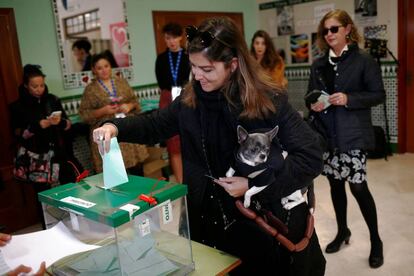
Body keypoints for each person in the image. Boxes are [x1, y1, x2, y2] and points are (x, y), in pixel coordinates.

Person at [93, 17, 326, 275]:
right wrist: (114, 127)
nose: (198, 76)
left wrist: (252, 185)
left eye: (207, 69)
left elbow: (311, 156)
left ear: (233, 65)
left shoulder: (267, 102)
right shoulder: (190, 101)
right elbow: (153, 125)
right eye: (194, 67)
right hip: (205, 221)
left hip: (257, 225)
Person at [306, 9, 384, 268]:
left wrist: (350, 99)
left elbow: (378, 95)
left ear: (347, 29)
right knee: (335, 186)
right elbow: (310, 96)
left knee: (358, 187)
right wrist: (315, 104)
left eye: (334, 29)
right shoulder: (318, 64)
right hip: (327, 136)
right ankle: (343, 232)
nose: (328, 34)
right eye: (325, 30)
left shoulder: (364, 60)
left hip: (353, 135)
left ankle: (376, 241)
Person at [10, 64, 80, 227]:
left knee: (71, 187)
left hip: (59, 152)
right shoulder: (18, 107)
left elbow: (68, 125)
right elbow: (17, 133)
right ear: (26, 85)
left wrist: (60, 122)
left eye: (42, 85)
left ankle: (76, 223)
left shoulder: (52, 100)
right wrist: (36, 126)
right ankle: (49, 228)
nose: (39, 89)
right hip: (37, 157)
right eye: (34, 86)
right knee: (43, 195)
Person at [79, 53, 148, 174]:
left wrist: (128, 106)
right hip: (105, 131)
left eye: (106, 66)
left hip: (126, 126)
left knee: (137, 168)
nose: (104, 70)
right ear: (94, 70)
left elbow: (135, 102)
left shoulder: (121, 82)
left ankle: (141, 192)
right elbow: (84, 114)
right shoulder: (90, 89)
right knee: (115, 171)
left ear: (111, 66)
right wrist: (103, 111)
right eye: (99, 68)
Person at [155, 22, 191, 183]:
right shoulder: (161, 59)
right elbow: (162, 83)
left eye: (175, 37)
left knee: (190, 139)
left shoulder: (189, 55)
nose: (172, 41)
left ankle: (193, 178)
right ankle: (180, 181)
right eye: (168, 38)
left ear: (181, 37)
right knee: (173, 143)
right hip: (168, 99)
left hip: (188, 98)